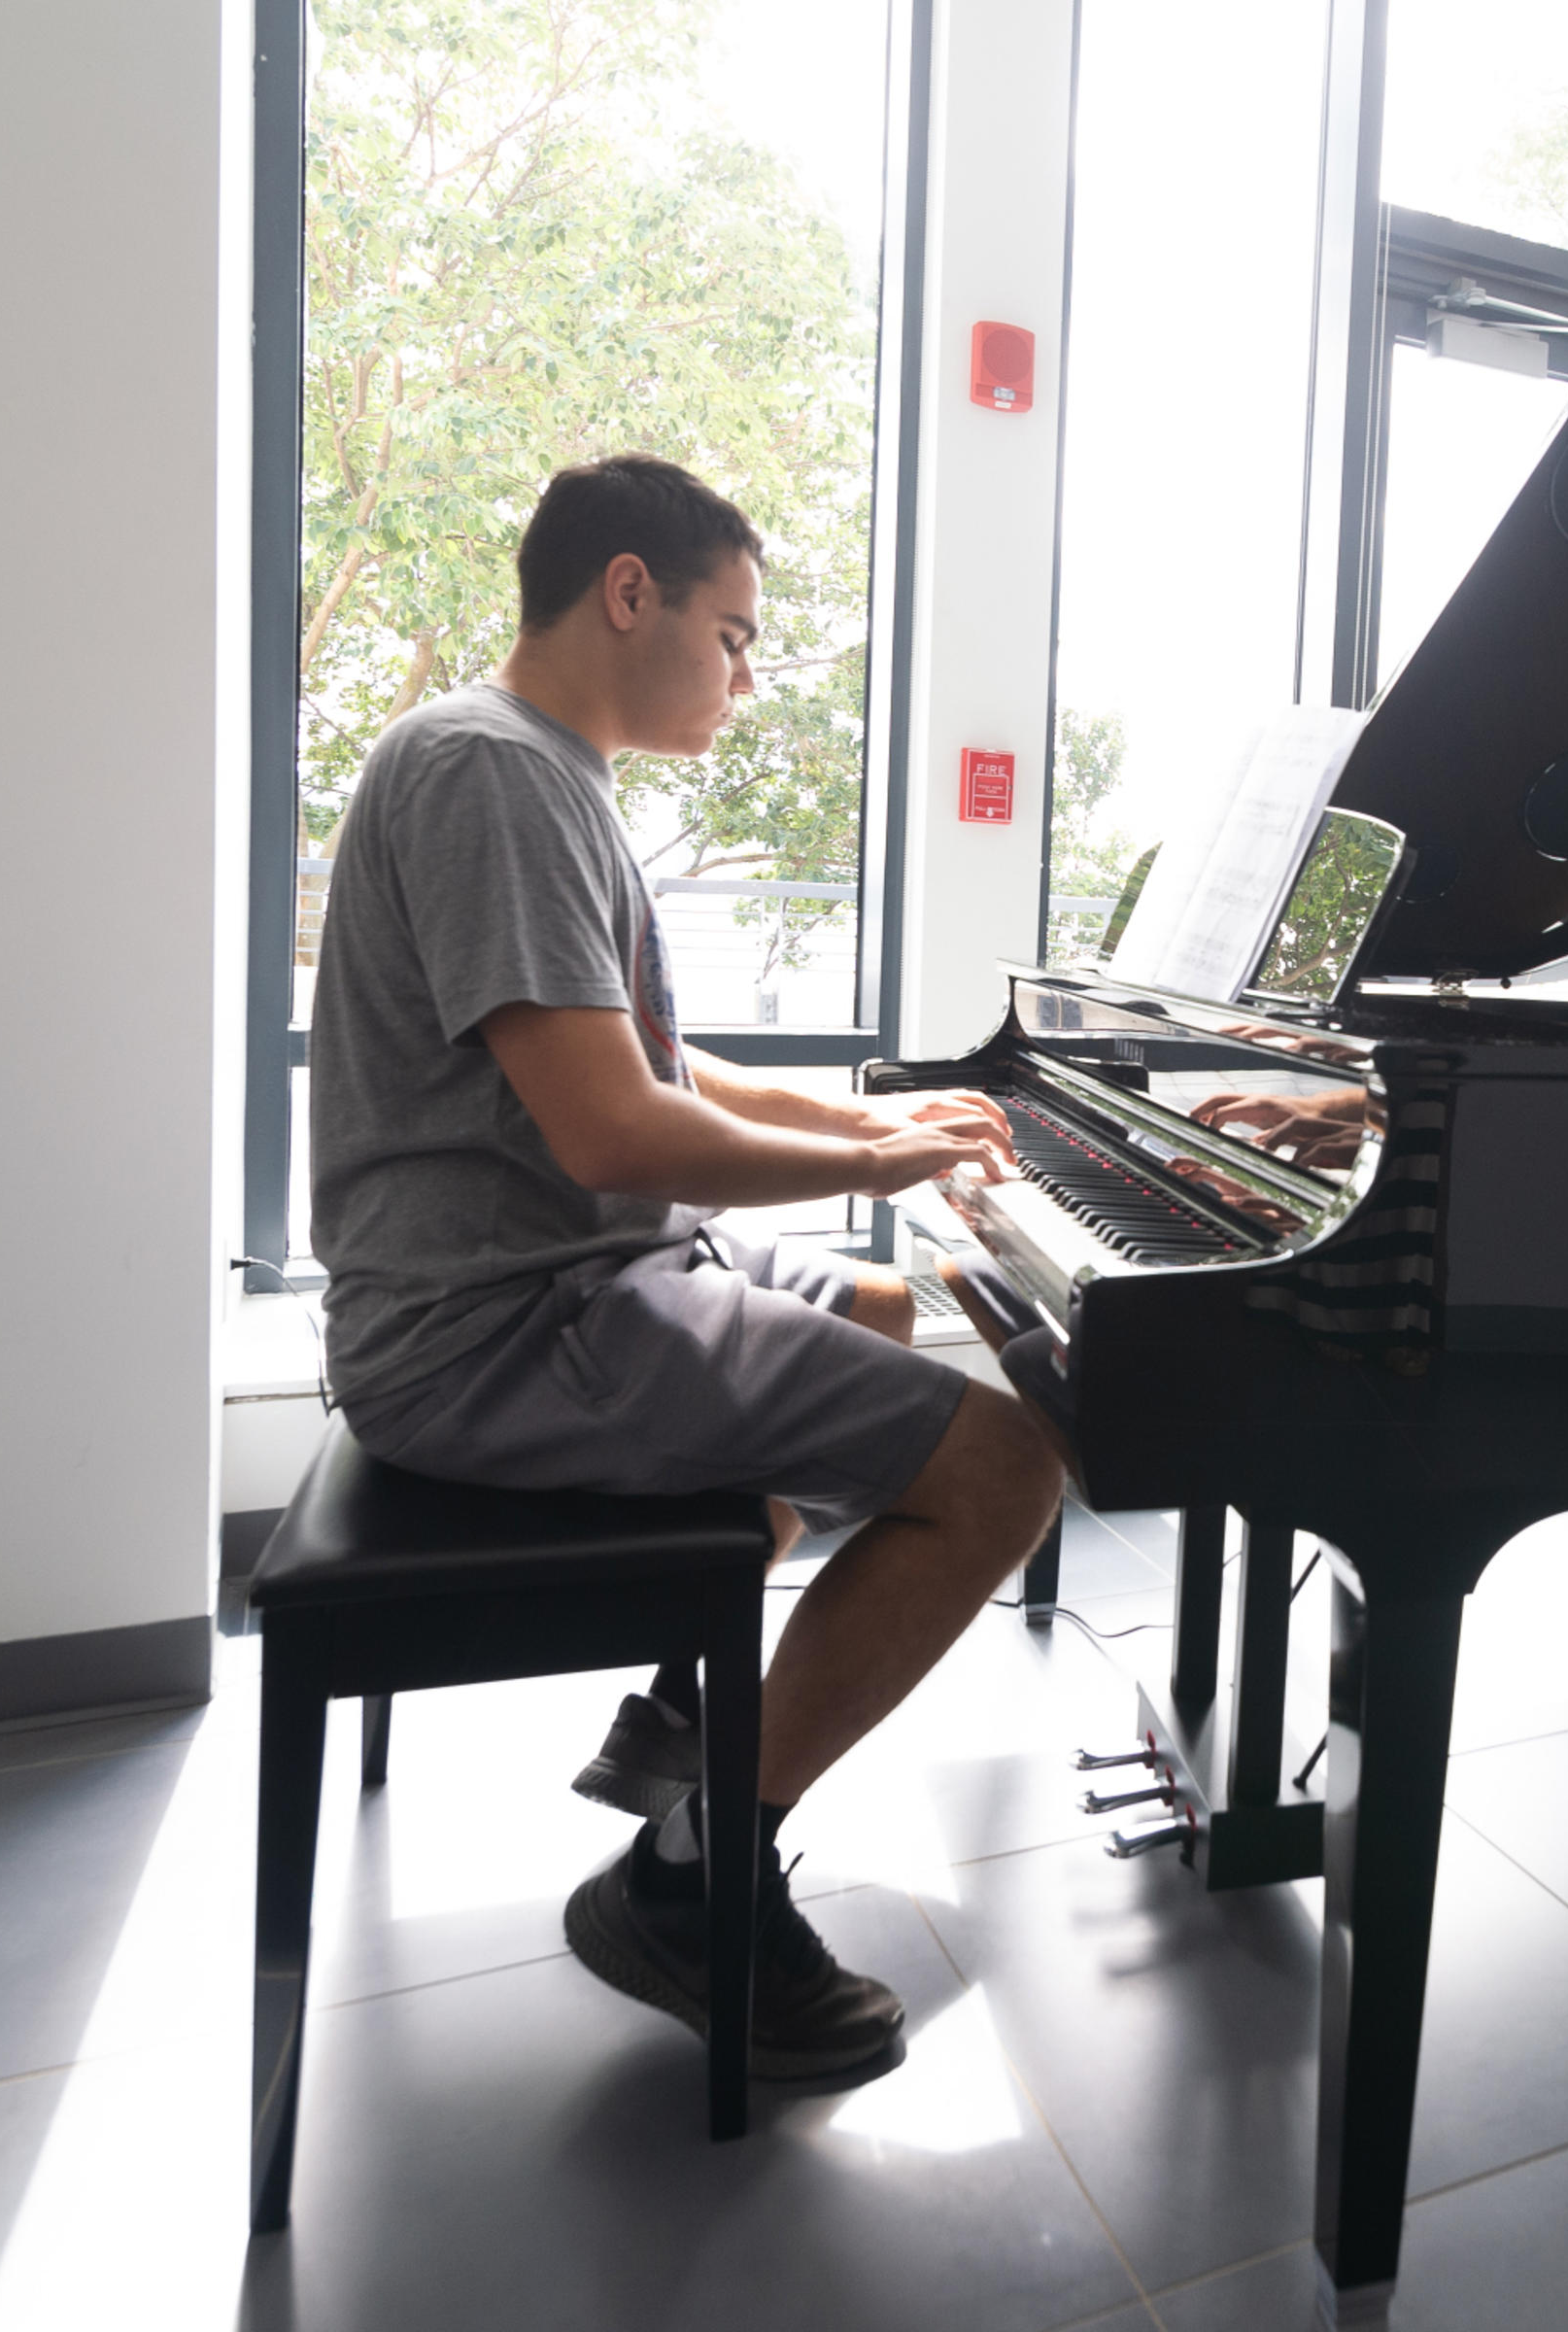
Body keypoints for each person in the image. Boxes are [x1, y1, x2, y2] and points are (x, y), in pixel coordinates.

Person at [309, 452, 1066, 2078]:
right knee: (1010, 1468)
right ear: (627, 591)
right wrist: (880, 1162)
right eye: (731, 634)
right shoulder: (490, 776)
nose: (742, 673)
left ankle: (689, 1724)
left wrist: (874, 1107)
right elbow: (613, 1137)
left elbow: (673, 1067)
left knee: (872, 1307)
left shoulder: (540, 771)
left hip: (572, 1288)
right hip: (498, 1328)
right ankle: (689, 1874)